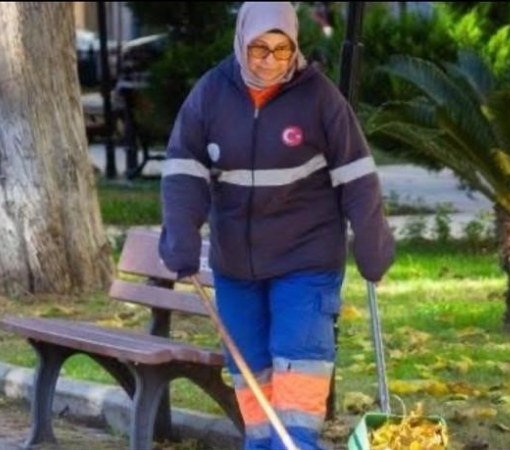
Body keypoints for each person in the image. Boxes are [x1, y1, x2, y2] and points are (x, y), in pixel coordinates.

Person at [158, 2, 395, 449]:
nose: (270, 61)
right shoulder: (211, 94)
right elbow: (183, 172)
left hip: (305, 263)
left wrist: (372, 242)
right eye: (259, 49)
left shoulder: (320, 98)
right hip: (235, 267)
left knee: (299, 376)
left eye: (282, 50)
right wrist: (180, 236)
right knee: (253, 381)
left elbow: (357, 177)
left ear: (295, 46)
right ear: (241, 42)